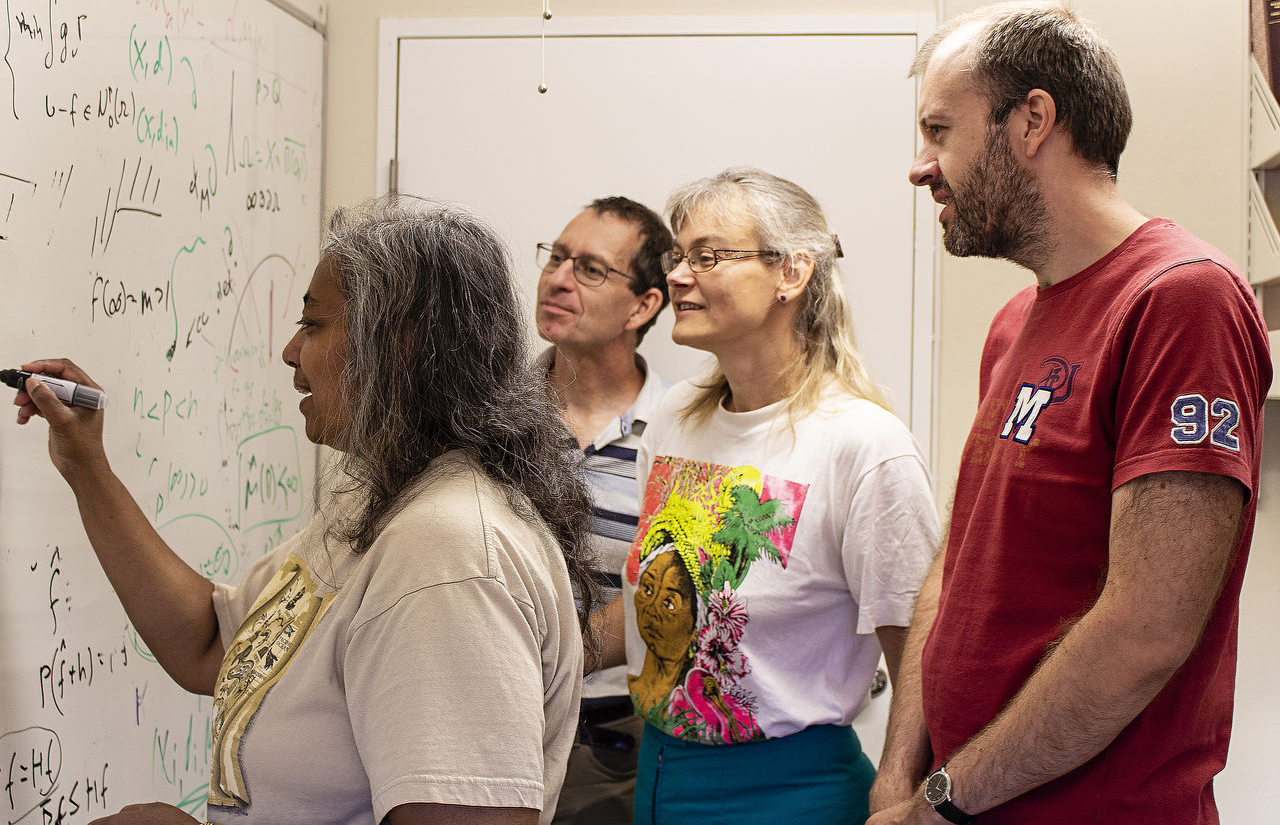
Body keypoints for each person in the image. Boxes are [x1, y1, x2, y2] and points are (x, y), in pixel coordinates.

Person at [13, 197, 599, 825]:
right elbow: (211, 645)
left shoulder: (447, 555)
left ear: (400, 345)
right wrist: (87, 467)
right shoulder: (389, 501)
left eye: (313, 324)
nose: (290, 351)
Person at [868, 1, 1272, 825]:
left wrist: (938, 804)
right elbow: (958, 561)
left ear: (1032, 121)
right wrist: (899, 773)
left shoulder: (1181, 298)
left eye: (940, 131)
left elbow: (1147, 629)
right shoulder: (1013, 324)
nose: (920, 167)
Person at [597, 167, 940, 823]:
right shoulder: (673, 419)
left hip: (793, 796)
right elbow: (662, 599)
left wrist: (905, 795)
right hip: (660, 779)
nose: (678, 276)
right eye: (678, 256)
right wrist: (561, 650)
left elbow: (922, 659)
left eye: (707, 256)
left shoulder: (864, 445)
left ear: (792, 272)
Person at [533, 197, 672, 824]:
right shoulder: (489, 418)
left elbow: (670, 597)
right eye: (556, 258)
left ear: (642, 306)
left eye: (590, 269)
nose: (559, 279)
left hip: (611, 750)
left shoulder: (680, 435)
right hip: (480, 726)